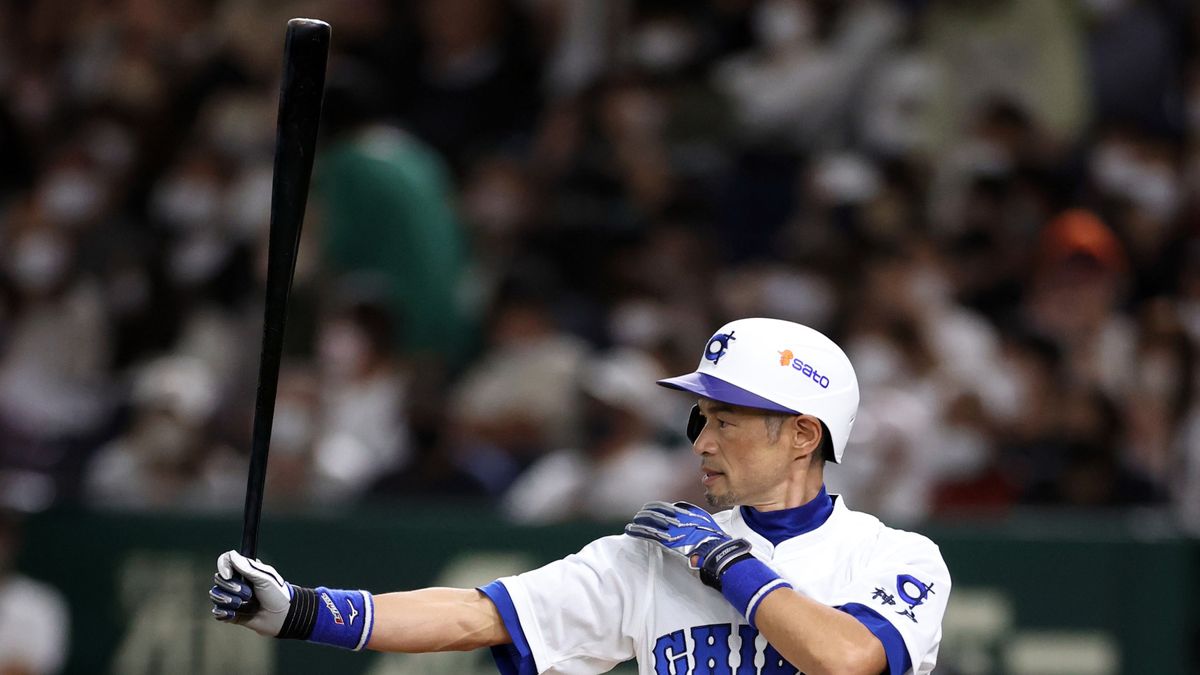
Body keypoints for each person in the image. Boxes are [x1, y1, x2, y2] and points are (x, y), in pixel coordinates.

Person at [210, 318, 951, 674]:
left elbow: (848, 657)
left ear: (801, 434)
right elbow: (479, 613)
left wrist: (732, 564)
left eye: (725, 419)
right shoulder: (657, 555)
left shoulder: (892, 555)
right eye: (702, 419)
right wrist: (303, 610)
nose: (702, 440)